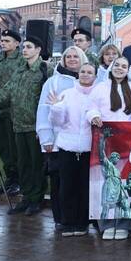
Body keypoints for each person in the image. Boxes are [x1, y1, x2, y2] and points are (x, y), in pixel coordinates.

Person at [0, 35, 49, 216]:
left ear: (38, 50)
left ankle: (36, 199)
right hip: (18, 125)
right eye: (24, 47)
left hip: (37, 127)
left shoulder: (45, 70)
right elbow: (5, 93)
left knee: (36, 164)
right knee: (22, 163)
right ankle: (26, 197)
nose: (24, 50)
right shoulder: (19, 71)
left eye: (29, 47)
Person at [86, 56, 131, 240]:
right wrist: (94, 116)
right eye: (117, 65)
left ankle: (123, 224)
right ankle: (105, 223)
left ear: (128, 70)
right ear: (111, 67)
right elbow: (90, 107)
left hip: (127, 140)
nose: (120, 69)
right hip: (106, 138)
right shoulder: (100, 88)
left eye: (124, 66)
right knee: (105, 182)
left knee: (123, 182)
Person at [36, 46, 89, 228]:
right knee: (59, 182)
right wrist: (46, 138)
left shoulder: (90, 81)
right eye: (69, 57)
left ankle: (81, 218)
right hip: (59, 141)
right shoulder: (53, 82)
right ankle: (61, 218)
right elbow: (44, 110)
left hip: (84, 142)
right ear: (64, 60)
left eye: (76, 56)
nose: (73, 59)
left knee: (80, 182)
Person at [46, 62, 98, 237]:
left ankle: (82, 223)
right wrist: (57, 108)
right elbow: (57, 122)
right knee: (67, 186)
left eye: (89, 72)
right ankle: (68, 222)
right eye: (83, 71)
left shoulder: (97, 95)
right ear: (78, 74)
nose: (85, 74)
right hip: (67, 146)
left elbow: (97, 114)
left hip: (89, 147)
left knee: (85, 186)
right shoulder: (67, 94)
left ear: (95, 76)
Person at [0, 29, 24, 197]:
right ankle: (9, 179)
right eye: (2, 40)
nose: (3, 43)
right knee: (3, 147)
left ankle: (19, 181)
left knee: (15, 147)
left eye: (7, 41)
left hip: (14, 109)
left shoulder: (22, 60)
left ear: (17, 43)